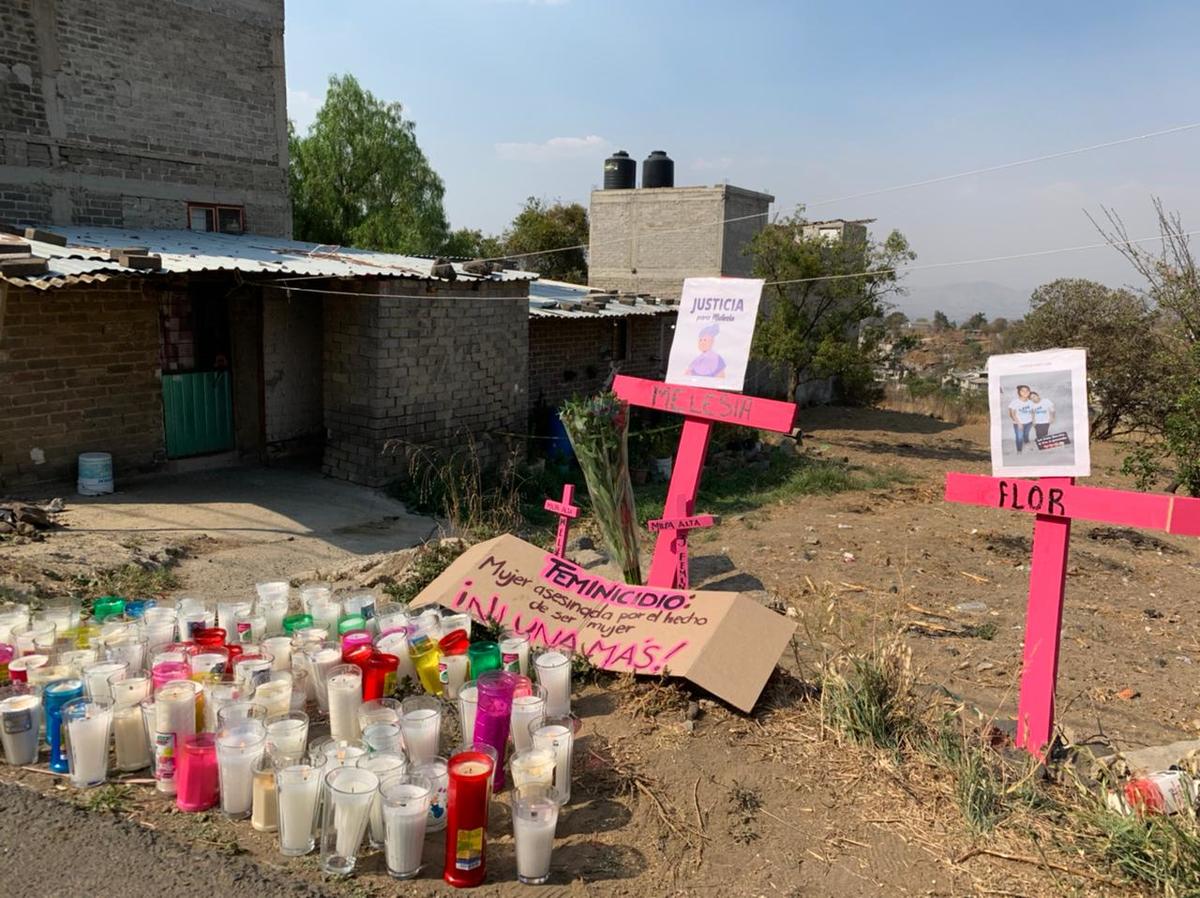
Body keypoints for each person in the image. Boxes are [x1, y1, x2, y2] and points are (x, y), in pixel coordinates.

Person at [1007, 385, 1034, 453]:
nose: (1025, 392)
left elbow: (1032, 412)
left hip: (1029, 423)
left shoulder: (1030, 402)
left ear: (1029, 392)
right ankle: (1019, 450)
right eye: (1023, 391)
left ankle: (1027, 442)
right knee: (1019, 437)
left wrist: (1033, 420)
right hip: (1018, 423)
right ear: (1019, 392)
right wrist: (1018, 423)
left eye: (1027, 391)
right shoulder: (1015, 402)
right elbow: (1012, 414)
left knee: (1026, 434)